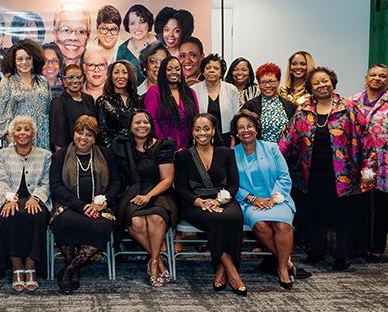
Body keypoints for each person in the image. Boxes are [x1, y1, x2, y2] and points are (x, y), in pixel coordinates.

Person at [279, 67, 371, 271]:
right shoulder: (304, 110)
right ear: (311, 87)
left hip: (342, 174)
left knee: (341, 215)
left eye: (325, 81)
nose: (322, 85)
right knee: (314, 213)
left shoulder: (348, 108)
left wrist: (368, 167)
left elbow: (366, 139)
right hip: (309, 172)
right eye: (317, 83)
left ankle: (343, 255)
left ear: (333, 82)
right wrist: (273, 159)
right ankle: (316, 251)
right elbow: (288, 138)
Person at [174, 114, 246, 295]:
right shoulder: (183, 156)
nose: (202, 133)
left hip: (222, 198)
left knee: (234, 216)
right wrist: (199, 202)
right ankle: (231, 270)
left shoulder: (226, 153)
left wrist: (218, 200)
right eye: (197, 129)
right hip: (194, 203)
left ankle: (221, 269)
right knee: (216, 219)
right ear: (192, 131)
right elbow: (181, 188)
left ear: (214, 131)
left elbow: (233, 184)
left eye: (206, 128)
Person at [50, 116, 122, 294]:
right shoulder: (60, 155)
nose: (83, 138)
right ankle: (72, 268)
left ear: (95, 137)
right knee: (63, 222)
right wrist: (81, 206)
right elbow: (56, 186)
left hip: (99, 208)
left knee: (101, 226)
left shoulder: (106, 154)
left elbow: (116, 183)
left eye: (89, 134)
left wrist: (101, 203)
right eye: (79, 132)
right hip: (69, 207)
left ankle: (70, 270)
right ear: (73, 133)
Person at [349, 64, 388, 262]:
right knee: (357, 204)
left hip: (384, 162)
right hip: (357, 160)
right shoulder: (352, 101)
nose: (377, 78)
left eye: (382, 76)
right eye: (373, 75)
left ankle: (376, 248)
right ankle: (358, 245)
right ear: (366, 78)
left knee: (379, 205)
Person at [232, 110, 297, 289]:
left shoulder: (272, 148)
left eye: (250, 126)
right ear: (236, 132)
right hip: (248, 202)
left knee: (282, 225)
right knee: (260, 224)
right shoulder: (232, 154)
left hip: (277, 198)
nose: (246, 130)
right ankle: (286, 261)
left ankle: (282, 268)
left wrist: (272, 198)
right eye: (241, 127)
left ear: (256, 128)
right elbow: (231, 184)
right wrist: (252, 199)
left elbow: (284, 177)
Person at [113, 109, 178, 287]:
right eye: (137, 122)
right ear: (130, 126)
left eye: (146, 122)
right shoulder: (122, 146)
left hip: (159, 191)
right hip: (132, 191)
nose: (142, 126)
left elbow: (167, 179)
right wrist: (139, 196)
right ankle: (158, 259)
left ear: (151, 125)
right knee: (136, 222)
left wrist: (148, 196)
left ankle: (154, 262)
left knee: (156, 218)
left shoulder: (163, 146)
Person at [0, 116, 52, 291]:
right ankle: (17, 267)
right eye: (18, 129)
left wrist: (36, 198)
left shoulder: (45, 155)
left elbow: (47, 182)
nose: (22, 133)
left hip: (37, 198)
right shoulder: (3, 155)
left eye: (27, 129)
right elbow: (1, 181)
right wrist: (9, 198)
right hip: (11, 198)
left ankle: (31, 266)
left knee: (36, 215)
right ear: (12, 133)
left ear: (33, 133)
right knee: (11, 215)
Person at [0, 39, 51, 150]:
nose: (24, 62)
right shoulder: (7, 82)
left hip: (42, 141)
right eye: (19, 59)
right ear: (13, 61)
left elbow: (48, 110)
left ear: (34, 59)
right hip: (18, 141)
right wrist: (13, 145)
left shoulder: (43, 81)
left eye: (28, 58)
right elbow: (1, 117)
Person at [145, 56, 199, 151]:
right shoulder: (154, 91)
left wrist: (188, 145)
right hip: (162, 146)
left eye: (178, 69)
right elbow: (152, 120)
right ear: (162, 72)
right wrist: (165, 144)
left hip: (188, 146)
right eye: (169, 69)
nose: (174, 72)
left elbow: (196, 119)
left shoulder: (190, 92)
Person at [242, 63, 298, 143]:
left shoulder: (291, 107)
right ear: (259, 84)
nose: (267, 86)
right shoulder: (249, 106)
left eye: (272, 82)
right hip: (258, 152)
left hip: (283, 153)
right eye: (263, 82)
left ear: (278, 82)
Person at [191, 55, 239, 146]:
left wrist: (234, 139)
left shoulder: (231, 89)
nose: (212, 70)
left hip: (226, 137)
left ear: (221, 73)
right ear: (203, 72)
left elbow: (236, 118)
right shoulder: (193, 90)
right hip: (202, 137)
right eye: (208, 68)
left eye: (216, 68)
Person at [96, 60, 142, 149]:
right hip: (113, 151)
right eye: (116, 72)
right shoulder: (103, 101)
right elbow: (102, 132)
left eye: (124, 72)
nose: (120, 76)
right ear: (111, 77)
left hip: (136, 150)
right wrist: (112, 151)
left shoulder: (138, 99)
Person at [50, 64, 96, 151]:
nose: (75, 81)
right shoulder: (58, 102)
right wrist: (61, 157)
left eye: (78, 77)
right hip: (68, 151)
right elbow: (57, 135)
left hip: (89, 149)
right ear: (64, 80)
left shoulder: (89, 99)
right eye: (70, 77)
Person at [116, 4, 155, 84]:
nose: (137, 27)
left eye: (141, 22)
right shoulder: (122, 50)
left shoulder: (161, 43)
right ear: (128, 26)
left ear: (148, 24)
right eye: (132, 23)